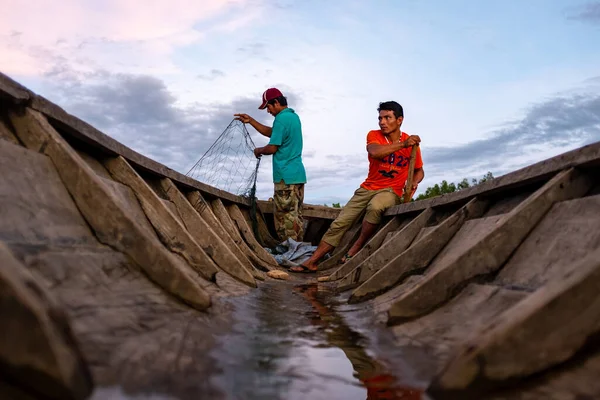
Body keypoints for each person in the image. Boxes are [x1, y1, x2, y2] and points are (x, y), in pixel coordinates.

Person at [291, 101, 424, 273]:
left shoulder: (410, 143)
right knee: (340, 223)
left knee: (375, 206)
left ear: (399, 120)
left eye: (387, 118)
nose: (382, 122)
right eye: (380, 118)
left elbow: (419, 170)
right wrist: (403, 145)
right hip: (368, 188)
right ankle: (313, 261)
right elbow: (375, 152)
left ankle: (358, 245)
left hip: (392, 190)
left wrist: (414, 182)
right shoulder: (375, 135)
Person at [234, 88, 307, 242]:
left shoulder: (280, 118)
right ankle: (298, 250)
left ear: (276, 102)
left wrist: (259, 150)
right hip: (298, 176)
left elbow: (273, 147)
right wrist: (251, 121)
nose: (268, 110)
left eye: (268, 106)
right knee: (295, 216)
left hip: (285, 178)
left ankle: (291, 252)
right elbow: (273, 133)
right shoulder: (293, 117)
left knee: (285, 218)